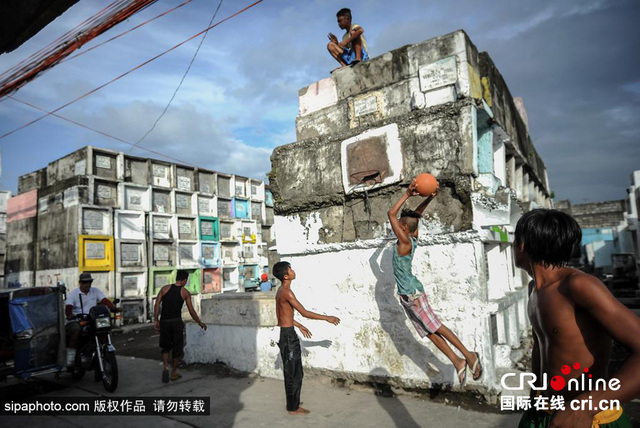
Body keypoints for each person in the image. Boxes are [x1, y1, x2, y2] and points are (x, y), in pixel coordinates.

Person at [515, 209, 639, 427]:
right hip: (545, 412)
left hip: (589, 419)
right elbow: (541, 348)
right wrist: (535, 397)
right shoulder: (534, 289)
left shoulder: (578, 285)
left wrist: (585, 409)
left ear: (522, 244)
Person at [387, 177, 482, 385]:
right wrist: (428, 198)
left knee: (437, 327)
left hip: (413, 294)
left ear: (402, 228)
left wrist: (408, 194)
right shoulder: (413, 235)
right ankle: (457, 360)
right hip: (407, 297)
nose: (395, 226)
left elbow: (390, 213)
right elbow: (416, 216)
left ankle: (469, 355)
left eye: (399, 225)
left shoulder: (404, 242)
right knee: (429, 332)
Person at [273, 261, 340, 415]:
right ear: (285, 276)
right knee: (293, 372)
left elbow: (281, 317)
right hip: (288, 336)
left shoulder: (280, 291)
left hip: (287, 332)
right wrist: (326, 318)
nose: (293, 271)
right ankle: (293, 408)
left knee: (294, 371)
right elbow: (304, 312)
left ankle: (293, 401)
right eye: (290, 269)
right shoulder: (287, 292)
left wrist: (298, 325)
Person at [154, 270, 207, 383]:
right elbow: (191, 311)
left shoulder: (164, 288)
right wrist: (199, 322)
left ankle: (166, 367)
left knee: (165, 346)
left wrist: (156, 320)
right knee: (177, 348)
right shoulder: (185, 292)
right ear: (184, 280)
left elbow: (157, 303)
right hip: (176, 322)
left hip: (164, 321)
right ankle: (174, 373)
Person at [65, 272, 115, 366]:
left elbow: (104, 300)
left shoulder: (95, 291)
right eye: (85, 282)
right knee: (76, 330)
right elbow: (68, 307)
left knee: (104, 330)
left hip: (92, 319)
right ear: (80, 283)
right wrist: (69, 314)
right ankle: (70, 359)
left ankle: (104, 352)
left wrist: (112, 307)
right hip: (77, 320)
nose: (87, 284)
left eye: (89, 282)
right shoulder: (73, 294)